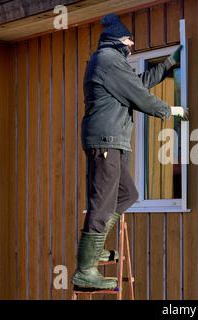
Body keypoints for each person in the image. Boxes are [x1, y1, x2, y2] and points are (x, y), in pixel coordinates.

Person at [72, 13, 188, 290]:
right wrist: (170, 110)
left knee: (127, 194)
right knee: (102, 202)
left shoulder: (112, 63)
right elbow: (140, 97)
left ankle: (97, 249)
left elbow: (138, 84)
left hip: (112, 140)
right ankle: (85, 269)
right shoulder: (108, 61)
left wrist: (170, 62)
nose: (132, 44)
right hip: (106, 140)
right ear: (117, 40)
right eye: (129, 40)